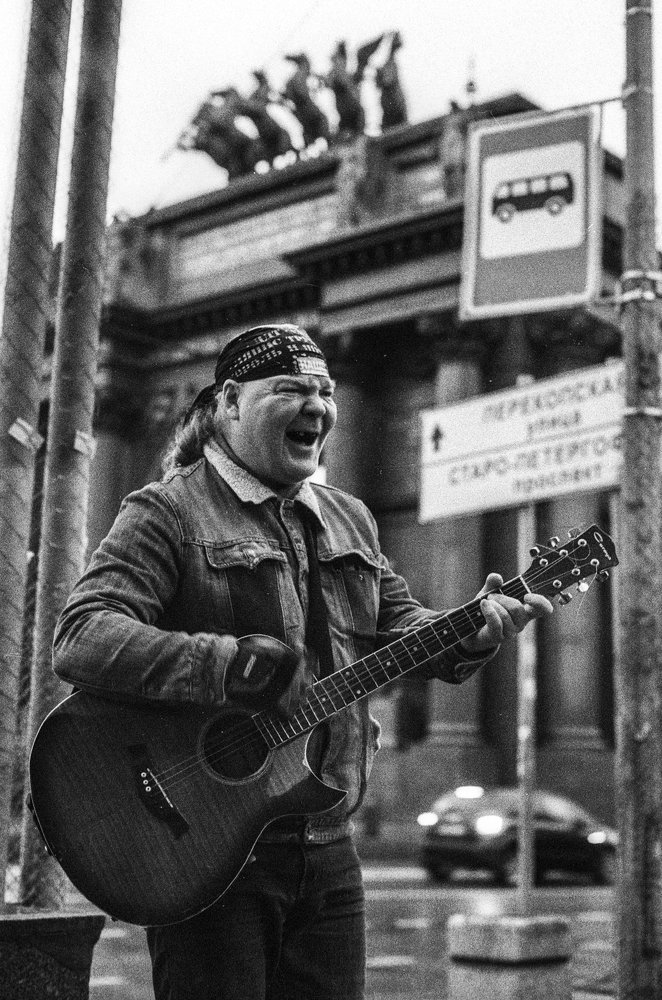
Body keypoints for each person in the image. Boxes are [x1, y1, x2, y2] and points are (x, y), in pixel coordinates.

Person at [52, 324, 553, 1000]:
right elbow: (82, 634)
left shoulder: (350, 519)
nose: (317, 406)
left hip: (328, 845)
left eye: (325, 391)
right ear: (229, 402)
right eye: (290, 389)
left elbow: (401, 626)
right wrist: (225, 664)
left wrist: (473, 631)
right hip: (207, 851)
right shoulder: (168, 512)